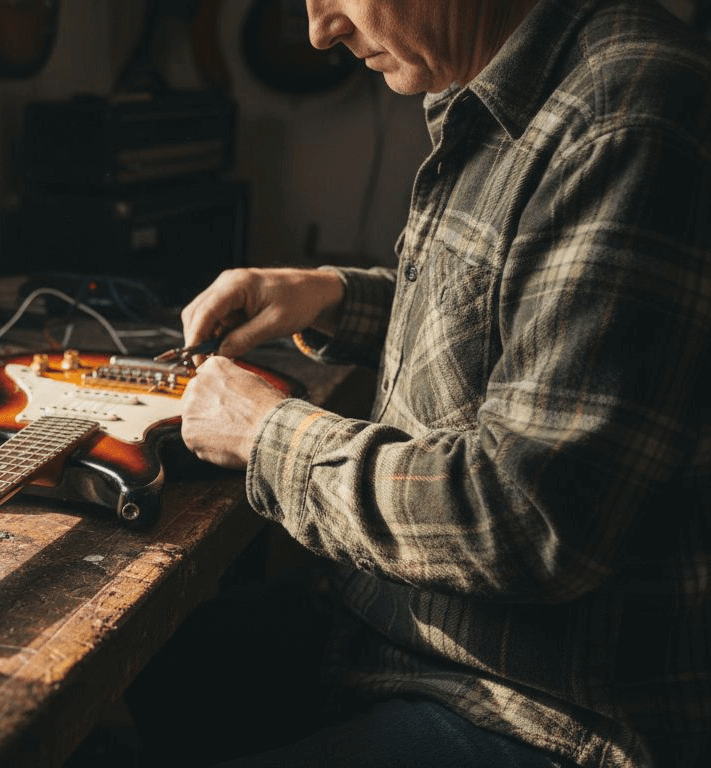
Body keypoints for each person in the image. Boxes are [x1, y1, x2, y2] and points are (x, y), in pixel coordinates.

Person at [127, 0, 711, 766]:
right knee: (145, 680)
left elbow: (529, 520)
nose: (319, 31)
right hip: (402, 632)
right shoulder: (500, 81)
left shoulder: (629, 113)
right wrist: (334, 297)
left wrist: (266, 434)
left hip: (548, 710)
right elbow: (520, 316)